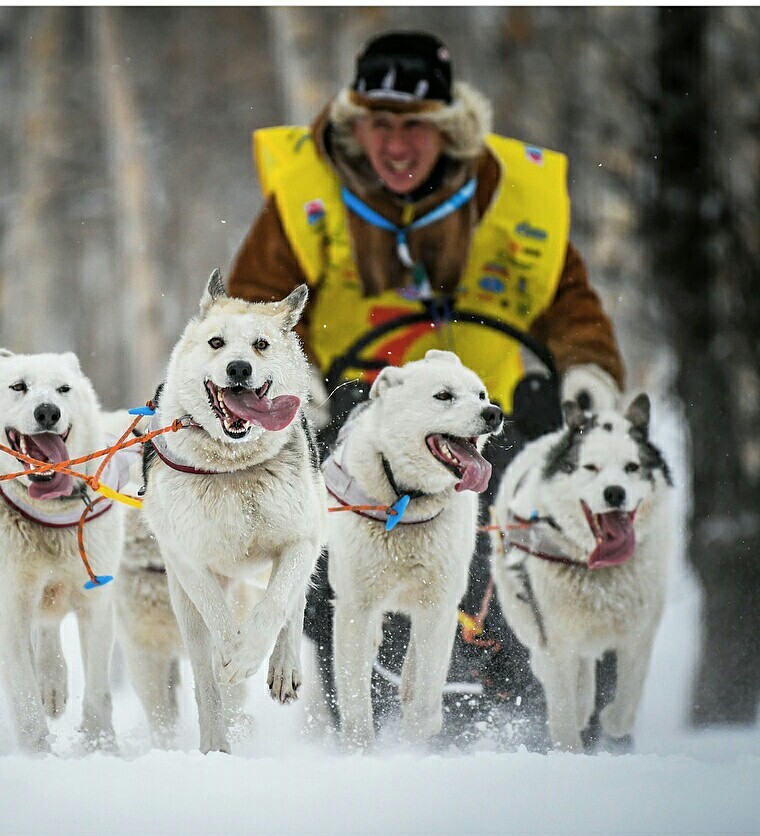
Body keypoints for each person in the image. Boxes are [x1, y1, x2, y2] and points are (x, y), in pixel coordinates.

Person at [227, 31, 627, 746]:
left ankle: (541, 715)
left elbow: (571, 306)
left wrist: (589, 372)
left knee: (542, 501)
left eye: (414, 125)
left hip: (494, 412)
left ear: (449, 127)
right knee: (331, 512)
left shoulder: (516, 198)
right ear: (357, 126)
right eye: (380, 124)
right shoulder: (305, 196)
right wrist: (290, 381)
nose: (397, 145)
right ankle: (357, 720)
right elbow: (252, 308)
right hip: (358, 409)